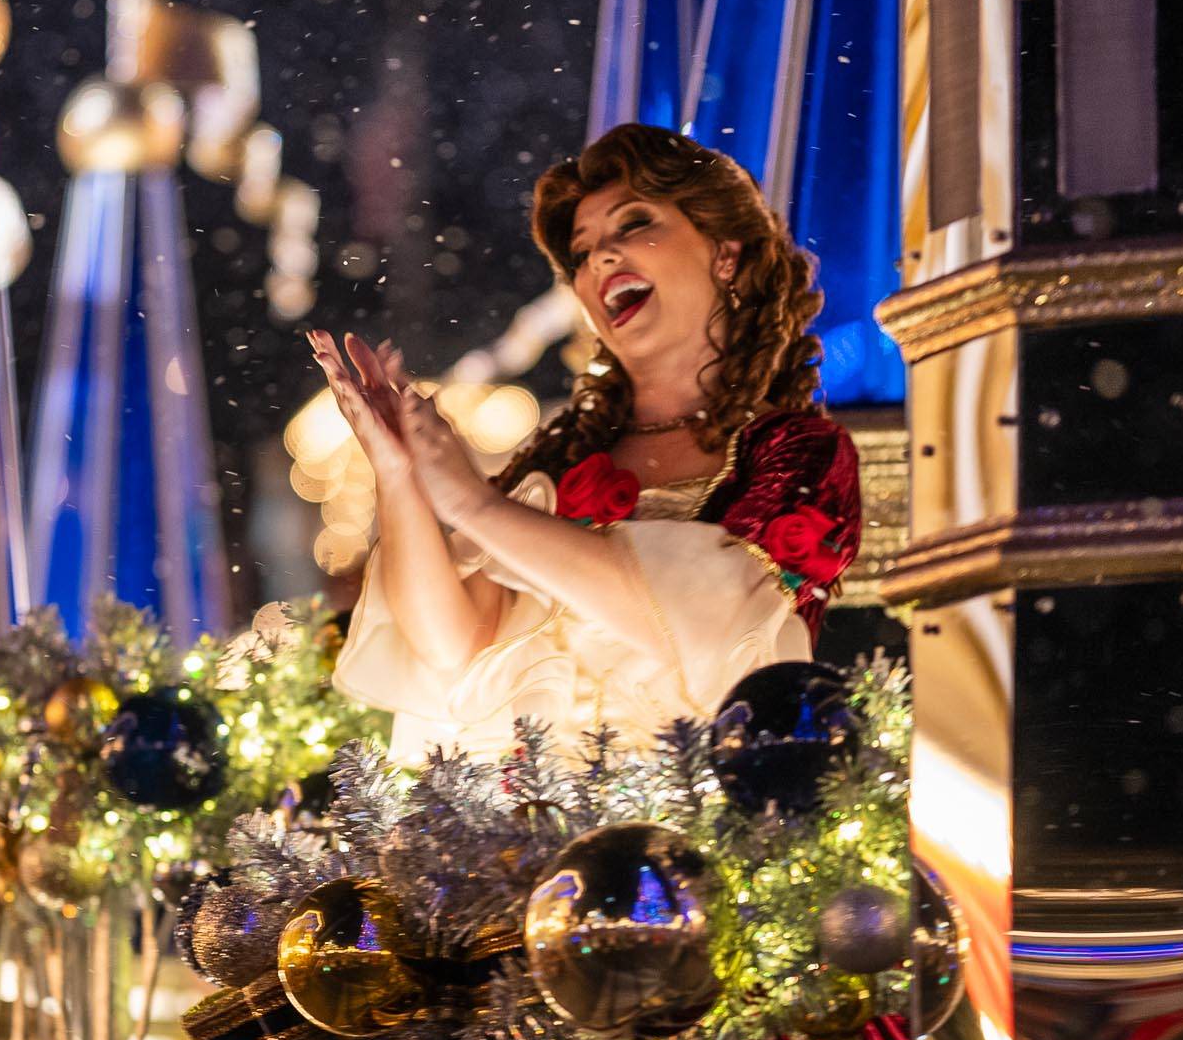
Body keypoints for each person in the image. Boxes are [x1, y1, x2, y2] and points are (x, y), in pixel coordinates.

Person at [320, 123, 862, 759]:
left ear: (726, 252)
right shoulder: (556, 458)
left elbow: (712, 626)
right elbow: (453, 651)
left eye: (633, 226)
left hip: (694, 828)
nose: (600, 258)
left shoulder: (797, 453)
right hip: (522, 820)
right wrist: (401, 478)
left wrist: (474, 505)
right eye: (582, 253)